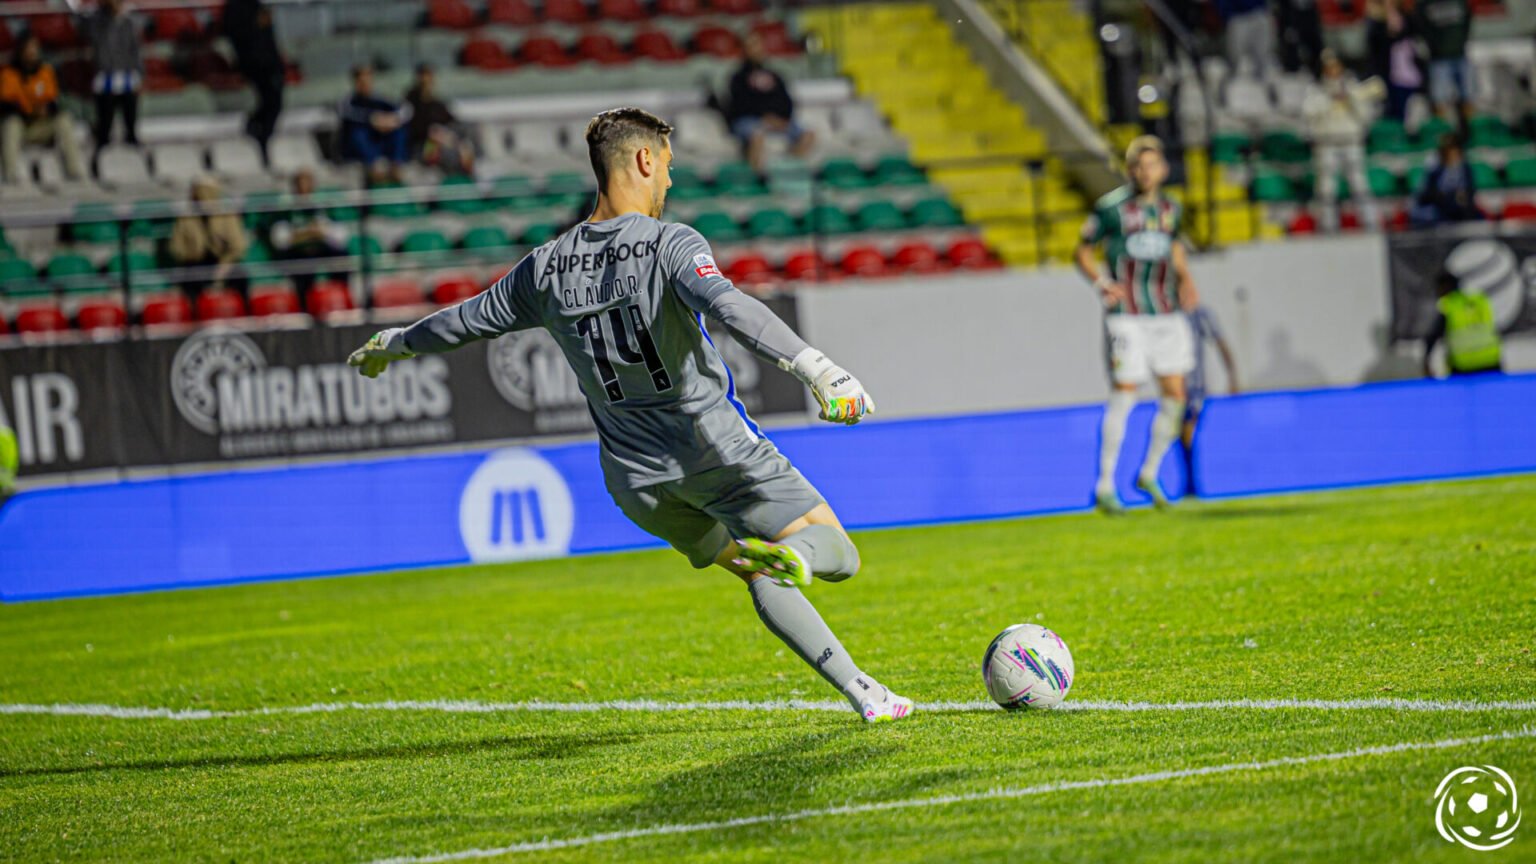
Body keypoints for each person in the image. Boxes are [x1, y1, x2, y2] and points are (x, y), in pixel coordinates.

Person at [346, 107, 912, 724]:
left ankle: (864, 692)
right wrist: (819, 369)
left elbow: (459, 323)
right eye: (667, 167)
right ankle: (799, 558)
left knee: (751, 567)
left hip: (636, 481)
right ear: (644, 161)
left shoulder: (543, 267)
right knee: (833, 552)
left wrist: (392, 343)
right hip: (714, 449)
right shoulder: (671, 243)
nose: (668, 183)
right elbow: (732, 307)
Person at [1074, 135, 1200, 514]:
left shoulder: (1172, 209)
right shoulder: (1111, 208)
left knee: (1176, 396)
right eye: (1139, 166)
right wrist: (1100, 282)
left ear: (1162, 169)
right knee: (1125, 394)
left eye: (1152, 165)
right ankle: (1105, 485)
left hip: (1165, 311)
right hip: (1127, 314)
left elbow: (1173, 247)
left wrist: (1186, 278)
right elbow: (1081, 249)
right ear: (1130, 170)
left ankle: (1148, 472)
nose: (1146, 173)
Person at [1304, 50, 1385, 231]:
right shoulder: (1316, 88)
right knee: (1326, 188)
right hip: (1326, 143)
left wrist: (1350, 98)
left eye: (1335, 66)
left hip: (1351, 141)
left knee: (1359, 183)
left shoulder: (1352, 86)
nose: (1333, 70)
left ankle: (1370, 223)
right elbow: (1308, 112)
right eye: (1329, 67)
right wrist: (1329, 99)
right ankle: (1328, 226)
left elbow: (1366, 115)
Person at [1, 35, 86, 183]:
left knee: (64, 120)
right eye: (28, 49)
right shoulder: (9, 73)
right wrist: (30, 110)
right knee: (10, 124)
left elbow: (53, 101)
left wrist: (46, 109)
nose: (32, 53)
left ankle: (73, 172)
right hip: (23, 126)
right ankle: (10, 175)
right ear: (20, 51)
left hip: (42, 125)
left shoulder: (46, 71)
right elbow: (7, 105)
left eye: (34, 48)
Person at [727, 33, 813, 173]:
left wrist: (782, 119)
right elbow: (740, 104)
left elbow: (786, 101)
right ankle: (756, 177)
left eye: (759, 46)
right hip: (749, 120)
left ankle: (788, 169)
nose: (757, 50)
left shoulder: (774, 75)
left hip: (778, 120)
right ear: (744, 50)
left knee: (808, 135)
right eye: (752, 46)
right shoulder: (738, 78)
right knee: (757, 135)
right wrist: (764, 117)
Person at [1180, 305, 1239, 487]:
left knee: (1188, 429)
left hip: (1194, 385)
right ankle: (1190, 481)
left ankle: (1191, 482)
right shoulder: (1166, 315)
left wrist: (1232, 376)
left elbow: (1220, 342)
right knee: (1179, 432)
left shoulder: (1198, 314)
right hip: (1172, 386)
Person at [223, 0, 286, 162]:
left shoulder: (258, 5)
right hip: (253, 62)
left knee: (275, 102)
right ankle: (256, 132)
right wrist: (255, 24)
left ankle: (259, 131)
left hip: (270, 62)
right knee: (270, 100)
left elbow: (269, 36)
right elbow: (232, 32)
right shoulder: (235, 7)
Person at [168, 175, 250, 297]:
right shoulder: (185, 219)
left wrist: (223, 268)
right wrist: (194, 252)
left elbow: (238, 247)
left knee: (240, 277)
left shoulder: (227, 216)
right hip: (195, 263)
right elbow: (177, 248)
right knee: (190, 280)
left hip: (223, 262)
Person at [269, 168, 346, 292]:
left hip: (321, 248)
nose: (304, 188)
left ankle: (341, 295)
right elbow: (280, 240)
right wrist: (307, 234)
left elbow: (341, 237)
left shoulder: (323, 207)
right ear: (294, 187)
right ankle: (304, 303)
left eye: (307, 183)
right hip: (298, 251)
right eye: (300, 184)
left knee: (341, 256)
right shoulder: (286, 209)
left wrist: (320, 233)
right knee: (303, 262)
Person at [87, 0, 143, 153]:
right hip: (105, 72)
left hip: (126, 71)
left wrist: (137, 73)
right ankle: (103, 136)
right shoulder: (97, 22)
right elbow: (100, 49)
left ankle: (131, 134)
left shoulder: (128, 23)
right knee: (106, 93)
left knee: (131, 92)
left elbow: (135, 51)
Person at [1422, 269, 1501, 377]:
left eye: (1438, 288)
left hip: (1464, 368)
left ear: (1446, 286)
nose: (1437, 292)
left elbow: (1433, 336)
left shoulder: (1447, 306)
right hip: (1491, 362)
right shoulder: (1480, 299)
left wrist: (1426, 361)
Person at [338, 65, 410, 184]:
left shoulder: (380, 98)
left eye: (367, 80)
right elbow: (347, 113)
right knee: (358, 133)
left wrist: (392, 120)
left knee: (399, 132)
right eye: (361, 81)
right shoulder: (348, 101)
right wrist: (372, 120)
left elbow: (406, 110)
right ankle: (373, 168)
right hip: (358, 150)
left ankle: (396, 165)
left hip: (380, 143)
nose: (364, 84)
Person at [404, 64, 473, 175]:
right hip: (422, 145)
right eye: (423, 77)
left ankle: (466, 180)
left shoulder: (437, 104)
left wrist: (459, 143)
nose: (426, 80)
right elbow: (413, 128)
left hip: (442, 142)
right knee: (445, 152)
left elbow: (454, 122)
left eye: (429, 76)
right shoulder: (411, 103)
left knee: (464, 148)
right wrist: (433, 135)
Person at [1415, 0, 1473, 122]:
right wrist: (1434, 47)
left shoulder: (1459, 2)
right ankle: (1442, 134)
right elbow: (1420, 27)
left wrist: (1462, 42)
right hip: (1438, 59)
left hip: (1460, 54)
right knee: (1440, 100)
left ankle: (1470, 133)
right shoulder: (1424, 4)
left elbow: (1468, 19)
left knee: (1468, 96)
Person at [1366, 0, 1422, 123]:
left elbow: (1414, 32)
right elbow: (1375, 45)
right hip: (1386, 68)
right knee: (1390, 104)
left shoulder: (1406, 15)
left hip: (1406, 67)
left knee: (1408, 104)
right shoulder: (1375, 21)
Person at [1411, 134, 1482, 226]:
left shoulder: (1465, 168)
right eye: (1448, 151)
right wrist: (1447, 196)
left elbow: (1470, 190)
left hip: (1458, 209)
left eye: (1454, 150)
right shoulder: (1435, 169)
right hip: (1438, 208)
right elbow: (1425, 195)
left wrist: (1464, 196)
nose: (1452, 154)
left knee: (1474, 215)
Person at [1216, 0, 1278, 79]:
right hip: (1238, 17)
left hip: (1259, 14)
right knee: (1234, 59)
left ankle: (1266, 85)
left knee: (1264, 59)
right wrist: (1227, 14)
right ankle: (1226, 85)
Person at [1275, 0, 1324, 78]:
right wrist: (1287, 25)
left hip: (1309, 16)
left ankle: (1317, 73)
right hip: (1292, 18)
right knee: (1291, 45)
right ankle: (1292, 72)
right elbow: (1282, 8)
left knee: (1316, 46)